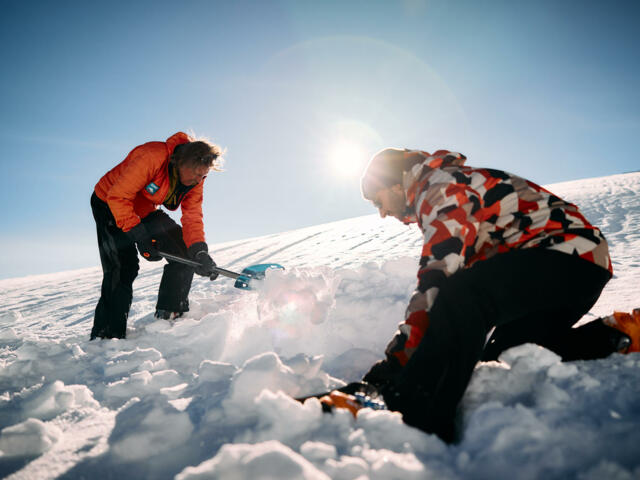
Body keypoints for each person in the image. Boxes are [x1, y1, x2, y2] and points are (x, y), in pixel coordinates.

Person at [321, 148, 639, 442]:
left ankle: (407, 406)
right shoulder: (441, 187)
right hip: (581, 266)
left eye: (378, 202)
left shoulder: (438, 186)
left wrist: (395, 365)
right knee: (505, 357)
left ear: (393, 185)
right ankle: (617, 334)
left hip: (563, 255)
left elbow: (438, 280)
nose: (381, 214)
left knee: (459, 294)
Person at [90, 132, 222, 340]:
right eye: (197, 173)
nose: (199, 179)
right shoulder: (152, 155)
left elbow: (192, 215)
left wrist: (199, 251)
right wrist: (139, 236)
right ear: (182, 162)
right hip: (109, 202)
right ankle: (107, 335)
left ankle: (169, 315)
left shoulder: (196, 179)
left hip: (143, 205)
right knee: (123, 267)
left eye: (203, 176)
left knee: (184, 253)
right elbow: (119, 196)